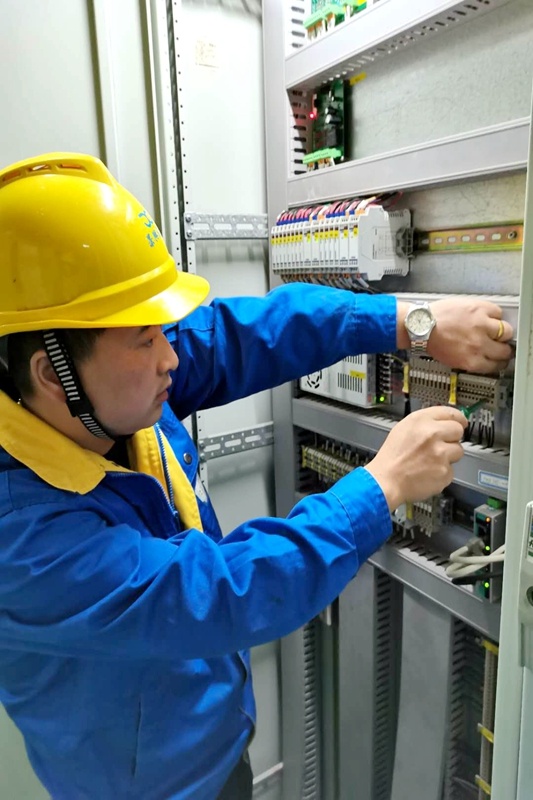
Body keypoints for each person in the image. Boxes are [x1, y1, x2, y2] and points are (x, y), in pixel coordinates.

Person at [0, 153, 514, 800]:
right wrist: (379, 487)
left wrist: (411, 323)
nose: (171, 355)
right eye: (144, 337)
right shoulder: (20, 538)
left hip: (214, 740)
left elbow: (242, 334)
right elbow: (216, 592)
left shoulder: (102, 395)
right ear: (53, 373)